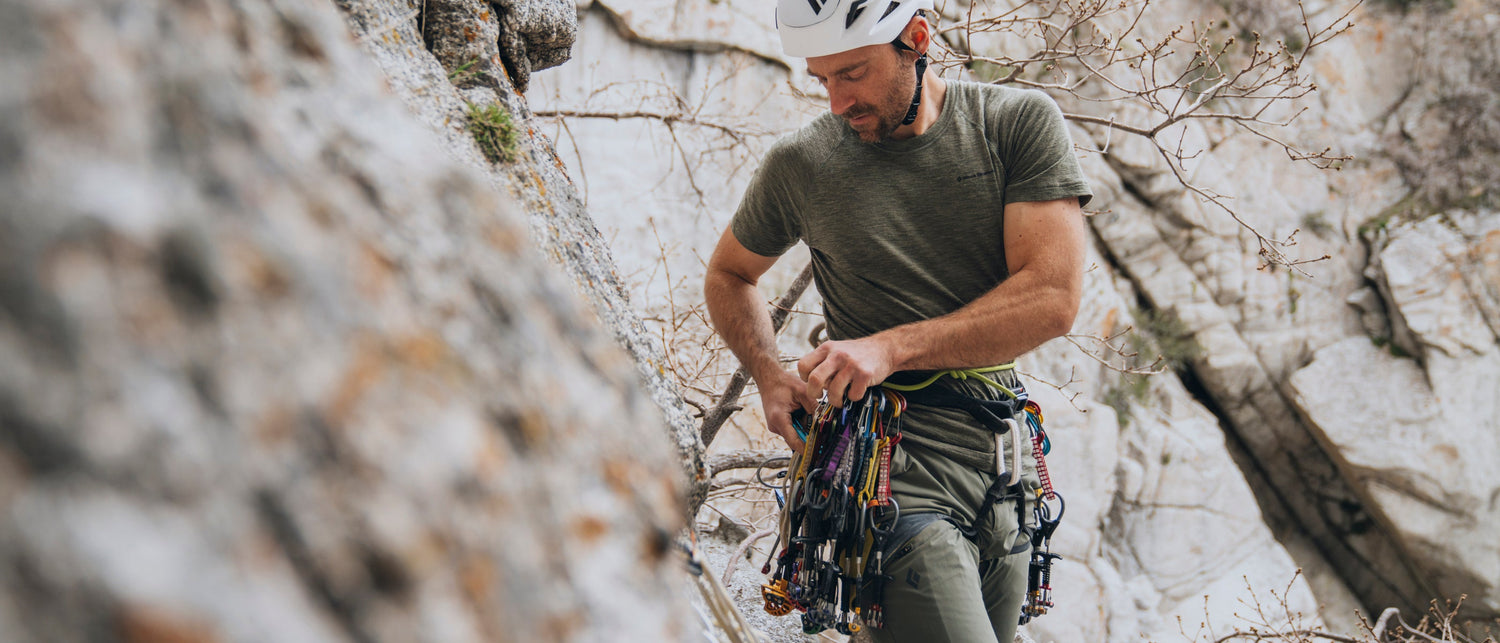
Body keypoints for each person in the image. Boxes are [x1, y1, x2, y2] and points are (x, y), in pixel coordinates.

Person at [702, 0, 1092, 640]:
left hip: (1004, 467)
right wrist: (769, 375)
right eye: (820, 79)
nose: (834, 102)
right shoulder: (801, 165)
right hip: (888, 469)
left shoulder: (1014, 126)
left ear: (916, 39)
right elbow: (729, 274)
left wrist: (891, 348)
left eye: (851, 73)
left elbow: (1052, 299)